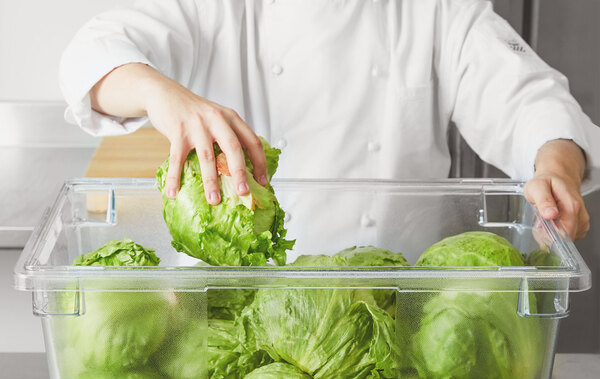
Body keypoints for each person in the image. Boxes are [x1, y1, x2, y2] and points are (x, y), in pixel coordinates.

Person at [60, 0, 599, 242]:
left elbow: (530, 99)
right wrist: (161, 94)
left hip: (395, 321)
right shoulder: (217, 9)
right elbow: (91, 55)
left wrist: (556, 169)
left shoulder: (437, 11)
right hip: (238, 329)